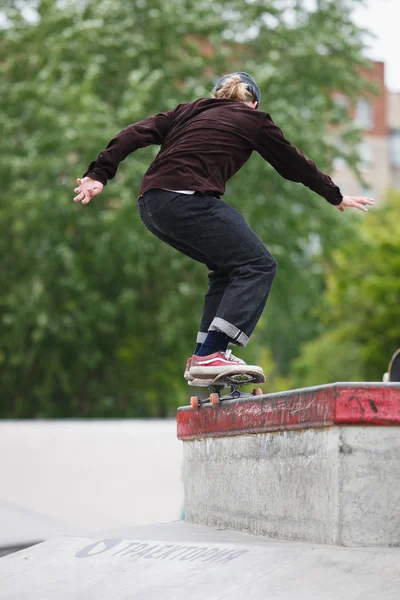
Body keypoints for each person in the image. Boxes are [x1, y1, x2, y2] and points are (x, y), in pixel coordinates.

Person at [74, 72, 374, 385]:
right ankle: (212, 352)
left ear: (217, 97)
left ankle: (204, 353)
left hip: (153, 204)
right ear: (254, 103)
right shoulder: (253, 119)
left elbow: (134, 133)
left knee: (226, 269)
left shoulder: (187, 110)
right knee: (258, 264)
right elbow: (294, 163)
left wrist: (99, 174)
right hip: (186, 199)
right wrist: (335, 195)